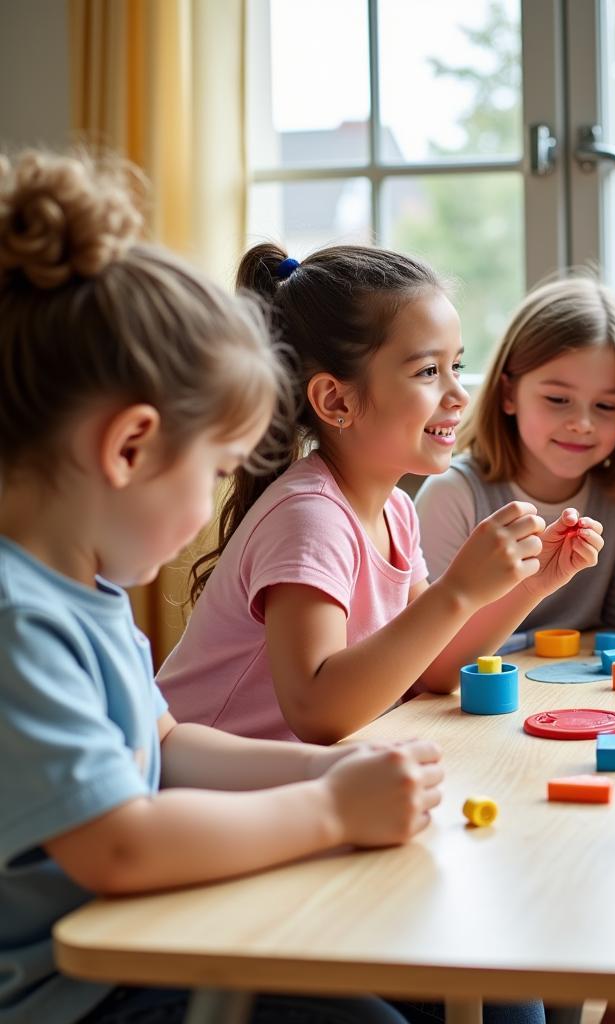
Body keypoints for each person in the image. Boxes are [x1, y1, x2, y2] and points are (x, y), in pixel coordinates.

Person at [0, 150, 442, 1024]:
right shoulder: (18, 619)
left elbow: (174, 748)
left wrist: (328, 765)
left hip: (151, 935)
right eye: (215, 473)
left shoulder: (81, 595)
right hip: (78, 995)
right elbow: (118, 848)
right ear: (129, 449)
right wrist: (325, 809)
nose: (215, 507)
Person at [157, 246, 603, 744]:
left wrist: (531, 585)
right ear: (336, 400)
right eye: (427, 372)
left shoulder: (396, 510)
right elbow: (318, 712)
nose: (458, 395)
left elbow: (432, 669)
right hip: (197, 792)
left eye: (456, 365)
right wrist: (458, 591)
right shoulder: (308, 518)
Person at [416, 277, 615, 634]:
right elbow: (425, 646)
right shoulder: (452, 496)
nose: (582, 423)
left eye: (606, 406)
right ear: (509, 393)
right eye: (558, 400)